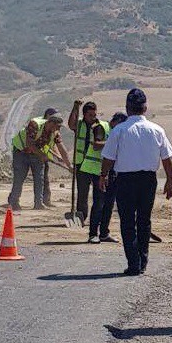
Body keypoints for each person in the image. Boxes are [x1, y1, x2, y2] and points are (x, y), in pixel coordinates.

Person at [100, 89, 172, 276]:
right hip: (148, 180)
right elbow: (167, 159)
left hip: (125, 180)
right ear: (145, 108)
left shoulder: (119, 130)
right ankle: (143, 261)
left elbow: (108, 158)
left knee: (127, 222)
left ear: (127, 108)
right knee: (144, 220)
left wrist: (103, 175)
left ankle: (134, 263)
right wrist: (169, 181)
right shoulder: (157, 130)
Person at [9, 114, 71, 210]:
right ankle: (14, 202)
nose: (58, 129)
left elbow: (62, 149)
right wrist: (42, 155)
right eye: (58, 126)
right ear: (51, 123)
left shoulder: (55, 133)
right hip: (21, 152)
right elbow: (29, 144)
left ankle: (39, 203)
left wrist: (69, 165)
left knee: (39, 178)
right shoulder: (35, 124)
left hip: (36, 153)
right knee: (19, 177)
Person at [68, 100, 110, 243]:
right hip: (81, 164)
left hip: (96, 166)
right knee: (82, 193)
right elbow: (71, 124)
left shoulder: (100, 126)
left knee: (99, 197)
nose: (93, 117)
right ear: (84, 114)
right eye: (90, 115)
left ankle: (95, 224)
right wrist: (75, 107)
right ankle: (81, 217)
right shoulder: (79, 124)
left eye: (94, 114)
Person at [94, 112, 128, 243]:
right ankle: (94, 233)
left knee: (109, 204)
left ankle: (104, 233)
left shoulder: (118, 132)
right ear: (117, 121)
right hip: (100, 170)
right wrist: (104, 174)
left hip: (111, 172)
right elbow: (97, 145)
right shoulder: (104, 128)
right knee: (100, 204)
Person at [41, 107, 63, 208]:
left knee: (44, 179)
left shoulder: (54, 129)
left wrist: (58, 155)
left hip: (44, 157)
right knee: (40, 179)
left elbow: (54, 144)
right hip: (35, 155)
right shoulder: (41, 126)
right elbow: (43, 144)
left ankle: (46, 200)